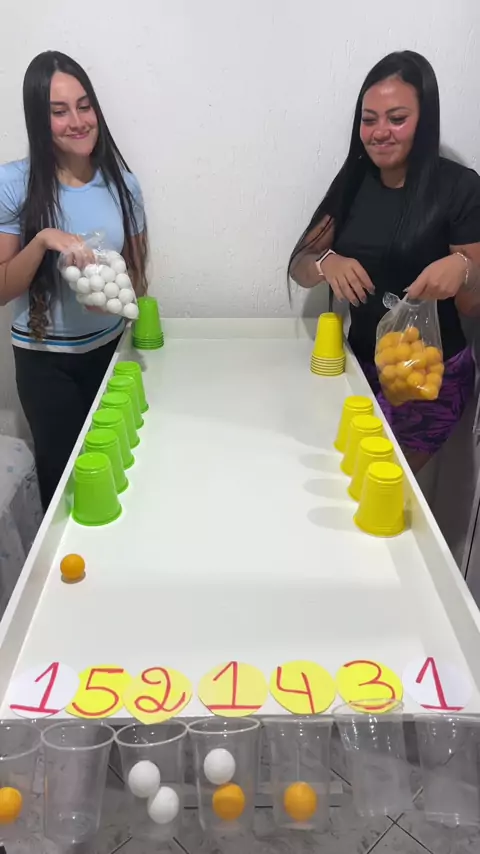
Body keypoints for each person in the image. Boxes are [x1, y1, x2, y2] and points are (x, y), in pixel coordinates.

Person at [289, 51, 480, 473]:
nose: (379, 132)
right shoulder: (354, 182)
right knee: (342, 481)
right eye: (369, 119)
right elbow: (300, 265)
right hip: (358, 369)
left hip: (428, 381)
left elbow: (473, 304)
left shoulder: (459, 187)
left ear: (424, 121)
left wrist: (464, 269)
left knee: (382, 488)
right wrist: (326, 263)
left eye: (396, 119)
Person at [0, 51, 148, 510]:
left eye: (85, 106)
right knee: (64, 484)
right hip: (46, 364)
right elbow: (2, 289)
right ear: (38, 119)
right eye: (59, 111)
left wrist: (116, 295)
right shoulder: (13, 183)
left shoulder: (123, 184)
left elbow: (138, 276)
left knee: (120, 468)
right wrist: (43, 240)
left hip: (112, 352)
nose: (78, 121)